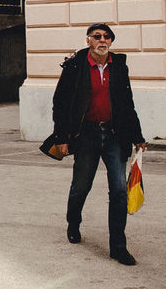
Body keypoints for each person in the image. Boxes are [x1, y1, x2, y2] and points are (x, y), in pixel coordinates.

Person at [50, 22, 146, 265]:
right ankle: (73, 222)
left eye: (106, 37)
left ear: (111, 42)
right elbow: (60, 104)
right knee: (81, 186)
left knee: (118, 190)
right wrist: (61, 138)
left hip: (115, 136)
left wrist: (137, 136)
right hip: (86, 136)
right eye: (97, 36)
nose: (102, 40)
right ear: (88, 41)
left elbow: (127, 103)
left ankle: (118, 246)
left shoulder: (119, 67)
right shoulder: (75, 66)